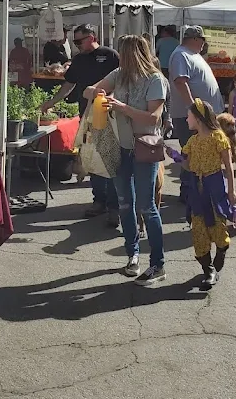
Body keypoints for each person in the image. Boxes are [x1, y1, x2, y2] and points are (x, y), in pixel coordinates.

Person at [84, 35, 168, 287]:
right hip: (120, 147)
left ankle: (158, 263)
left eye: (123, 52)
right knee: (124, 204)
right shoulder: (119, 74)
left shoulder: (155, 80)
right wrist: (97, 93)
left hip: (144, 149)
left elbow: (153, 118)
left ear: (133, 54)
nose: (119, 57)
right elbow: (89, 90)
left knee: (146, 206)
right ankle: (133, 255)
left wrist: (121, 107)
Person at [40, 24, 120, 224]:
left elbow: (122, 82)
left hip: (110, 116)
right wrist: (50, 103)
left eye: (79, 41)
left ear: (92, 37)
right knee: (92, 159)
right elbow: (68, 85)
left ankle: (113, 205)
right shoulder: (78, 59)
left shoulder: (110, 55)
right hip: (87, 116)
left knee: (109, 161)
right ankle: (98, 201)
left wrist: (113, 100)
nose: (76, 45)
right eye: (74, 42)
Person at [165, 99, 236, 290]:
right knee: (198, 231)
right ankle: (209, 270)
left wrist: (231, 191)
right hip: (196, 188)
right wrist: (174, 155)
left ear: (198, 118)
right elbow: (188, 165)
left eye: (188, 116)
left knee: (218, 228)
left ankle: (222, 249)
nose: (186, 119)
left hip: (214, 187)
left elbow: (229, 168)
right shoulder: (192, 141)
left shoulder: (218, 137)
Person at [169, 26, 224, 149]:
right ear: (194, 38)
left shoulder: (192, 54)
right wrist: (193, 109)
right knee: (194, 157)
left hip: (201, 115)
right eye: (202, 39)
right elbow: (180, 82)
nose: (204, 43)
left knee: (204, 157)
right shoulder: (181, 55)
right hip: (192, 117)